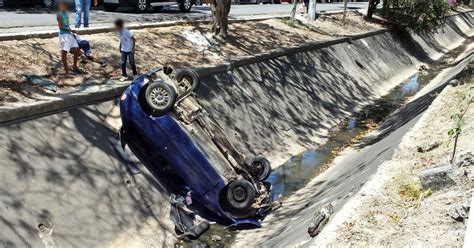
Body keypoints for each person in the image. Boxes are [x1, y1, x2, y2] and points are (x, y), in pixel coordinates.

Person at [57, 1, 81, 75]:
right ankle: (66, 71)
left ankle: (74, 66)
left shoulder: (66, 14)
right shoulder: (59, 15)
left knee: (77, 49)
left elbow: (67, 25)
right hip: (64, 35)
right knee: (64, 52)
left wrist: (72, 32)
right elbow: (61, 27)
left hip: (69, 34)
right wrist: (71, 30)